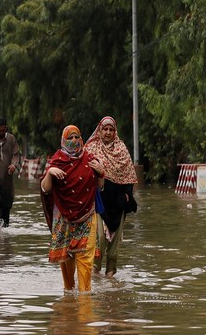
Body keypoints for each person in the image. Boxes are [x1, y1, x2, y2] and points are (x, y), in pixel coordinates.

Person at [40, 125, 105, 293]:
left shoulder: (90, 159)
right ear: (63, 140)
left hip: (87, 217)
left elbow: (100, 186)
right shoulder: (57, 160)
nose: (74, 140)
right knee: (67, 271)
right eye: (70, 138)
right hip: (64, 219)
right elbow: (45, 189)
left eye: (77, 137)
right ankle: (69, 303)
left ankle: (85, 305)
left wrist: (101, 173)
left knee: (85, 263)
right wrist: (49, 173)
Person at [85, 116, 138, 278]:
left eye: (111, 129)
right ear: (99, 131)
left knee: (114, 245)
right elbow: (84, 174)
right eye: (105, 129)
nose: (108, 132)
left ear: (115, 132)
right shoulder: (91, 149)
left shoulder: (121, 150)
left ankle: (110, 279)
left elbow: (129, 175)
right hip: (98, 203)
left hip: (118, 203)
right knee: (99, 239)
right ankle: (94, 274)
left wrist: (128, 195)